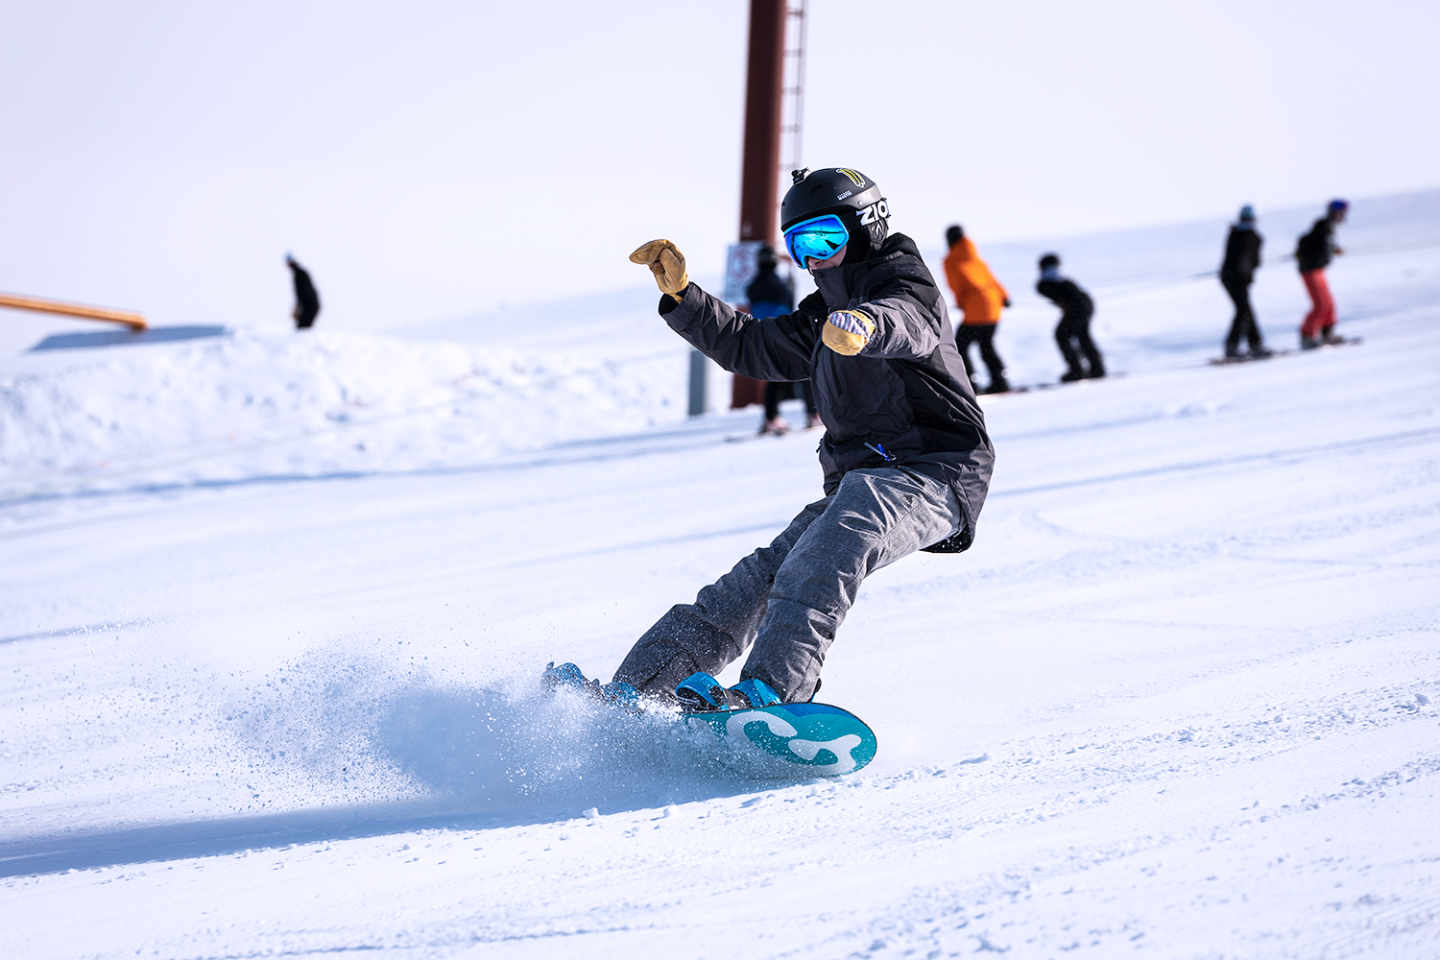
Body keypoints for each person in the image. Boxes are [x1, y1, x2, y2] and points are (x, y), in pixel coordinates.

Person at [557, 167, 994, 712]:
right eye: (798, 245)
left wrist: (866, 325)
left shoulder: (906, 286)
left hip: (934, 472)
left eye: (824, 238)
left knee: (832, 549)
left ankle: (771, 693)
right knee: (756, 579)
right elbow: (753, 347)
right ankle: (639, 693)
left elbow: (908, 322)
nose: (813, 258)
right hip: (861, 482)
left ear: (867, 227)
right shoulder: (823, 315)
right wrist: (685, 298)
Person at [747, 244, 820, 434]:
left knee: (776, 376)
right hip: (783, 332)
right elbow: (789, 308)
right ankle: (813, 414)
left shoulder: (752, 286)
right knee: (804, 371)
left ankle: (771, 417)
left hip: (761, 333)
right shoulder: (780, 287)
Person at [942, 225, 1011, 393]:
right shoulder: (975, 256)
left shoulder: (951, 260)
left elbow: (956, 286)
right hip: (994, 306)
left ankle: (970, 383)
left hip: (976, 309)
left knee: (960, 346)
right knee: (986, 344)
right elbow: (991, 279)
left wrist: (961, 303)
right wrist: (1004, 296)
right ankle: (1000, 380)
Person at [1036, 253, 1105, 381]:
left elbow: (1044, 288)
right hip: (1087, 304)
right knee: (1083, 336)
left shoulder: (1046, 280)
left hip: (1077, 308)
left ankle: (1076, 371)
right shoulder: (1062, 278)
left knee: (1062, 335)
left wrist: (1060, 301)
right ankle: (1097, 369)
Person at [1295, 199, 1348, 349]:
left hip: (1318, 269)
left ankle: (1327, 332)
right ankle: (1307, 336)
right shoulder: (1323, 225)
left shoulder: (1328, 226)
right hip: (1310, 270)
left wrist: (1334, 249)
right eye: (1338, 213)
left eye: (1342, 213)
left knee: (1329, 302)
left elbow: (1323, 244)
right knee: (1321, 304)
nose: (1340, 216)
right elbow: (1314, 242)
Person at [1219, 205, 1270, 359]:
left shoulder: (1233, 232)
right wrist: (1246, 275)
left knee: (1245, 310)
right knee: (1243, 311)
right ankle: (1233, 346)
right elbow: (1254, 261)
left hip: (1227, 277)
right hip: (1238, 278)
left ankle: (1255, 344)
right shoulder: (1254, 236)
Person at [286, 255, 320, 330]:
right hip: (309, 304)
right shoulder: (299, 273)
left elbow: (306, 292)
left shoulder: (299, 274)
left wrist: (299, 306)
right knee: (302, 327)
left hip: (310, 305)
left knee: (302, 328)